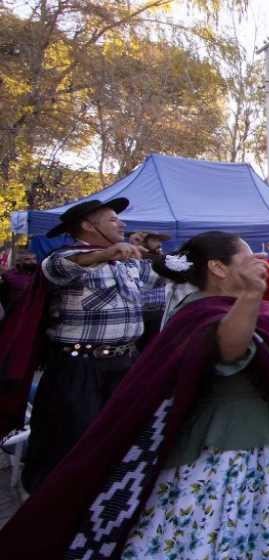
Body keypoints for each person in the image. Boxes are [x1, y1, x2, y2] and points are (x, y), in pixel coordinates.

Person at [0, 231, 269, 558]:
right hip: (228, 451)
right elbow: (231, 348)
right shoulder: (198, 313)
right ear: (218, 268)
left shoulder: (246, 306)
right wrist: (253, 294)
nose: (260, 260)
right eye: (248, 256)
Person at [12, 198, 166, 493]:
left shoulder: (129, 262)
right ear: (87, 225)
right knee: (71, 447)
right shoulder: (65, 258)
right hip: (78, 370)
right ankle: (55, 514)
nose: (121, 224)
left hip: (124, 366)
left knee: (122, 444)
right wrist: (105, 253)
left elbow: (164, 275)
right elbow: (62, 266)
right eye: (112, 220)